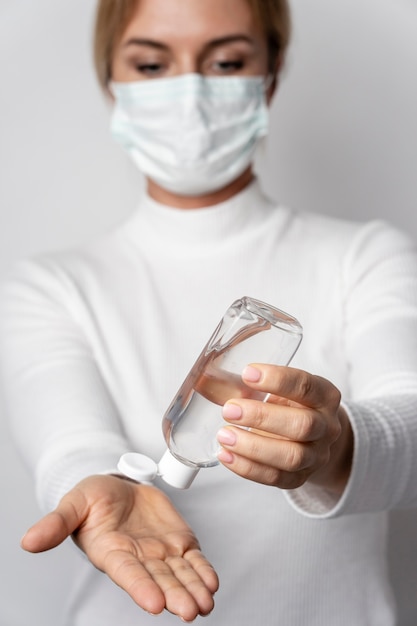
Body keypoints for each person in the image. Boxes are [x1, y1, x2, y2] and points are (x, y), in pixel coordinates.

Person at [0, 0, 416, 624]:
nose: (189, 93)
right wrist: (93, 484)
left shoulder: (366, 256)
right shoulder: (50, 287)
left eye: (226, 61)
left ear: (270, 76)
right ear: (110, 84)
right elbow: (71, 443)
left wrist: (335, 450)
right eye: (150, 63)